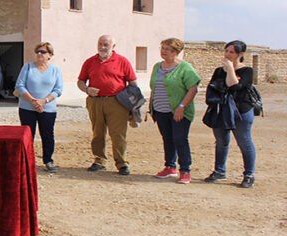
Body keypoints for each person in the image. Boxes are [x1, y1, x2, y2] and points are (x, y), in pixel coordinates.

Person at [77, 35, 138, 175]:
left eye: (106, 44)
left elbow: (132, 82)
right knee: (98, 132)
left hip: (117, 102)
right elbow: (80, 81)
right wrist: (87, 89)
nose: (102, 47)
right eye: (100, 44)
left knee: (118, 134)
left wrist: (131, 101)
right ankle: (99, 161)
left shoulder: (123, 61)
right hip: (95, 102)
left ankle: (121, 163)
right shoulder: (89, 62)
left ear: (113, 46)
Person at [204, 40, 257, 188]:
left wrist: (231, 70)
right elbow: (214, 88)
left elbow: (235, 86)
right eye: (226, 51)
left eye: (231, 52)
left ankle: (249, 175)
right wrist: (226, 74)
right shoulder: (219, 71)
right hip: (222, 111)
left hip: (241, 111)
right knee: (221, 141)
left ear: (240, 55)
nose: (227, 54)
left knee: (244, 142)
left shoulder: (247, 71)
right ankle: (219, 171)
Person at [148, 38, 200, 184]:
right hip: (160, 110)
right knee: (167, 138)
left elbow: (193, 88)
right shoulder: (157, 66)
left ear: (176, 52)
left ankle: (185, 170)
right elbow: (155, 87)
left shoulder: (185, 67)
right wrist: (151, 107)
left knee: (180, 139)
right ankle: (170, 167)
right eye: (162, 47)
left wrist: (181, 107)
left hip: (179, 111)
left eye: (167, 49)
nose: (163, 51)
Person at [15, 42, 64, 172]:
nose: (39, 54)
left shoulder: (56, 70)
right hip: (27, 107)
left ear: (50, 55)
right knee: (27, 135)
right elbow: (19, 86)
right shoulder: (27, 67)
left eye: (43, 52)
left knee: (47, 135)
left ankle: (48, 160)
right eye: (37, 51)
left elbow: (58, 90)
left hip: (48, 109)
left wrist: (43, 101)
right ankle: (27, 161)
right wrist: (33, 101)